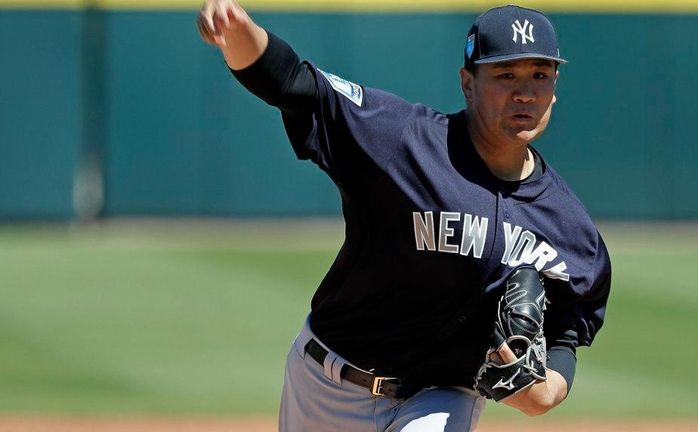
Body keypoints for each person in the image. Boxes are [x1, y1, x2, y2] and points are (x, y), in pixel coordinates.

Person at [197, 2, 611, 431]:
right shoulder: (402, 141)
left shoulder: (569, 226)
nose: (525, 92)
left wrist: (550, 390)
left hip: (441, 396)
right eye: (506, 75)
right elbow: (296, 84)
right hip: (326, 382)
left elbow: (567, 327)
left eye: (539, 75)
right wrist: (238, 31)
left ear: (555, 86)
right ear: (468, 84)